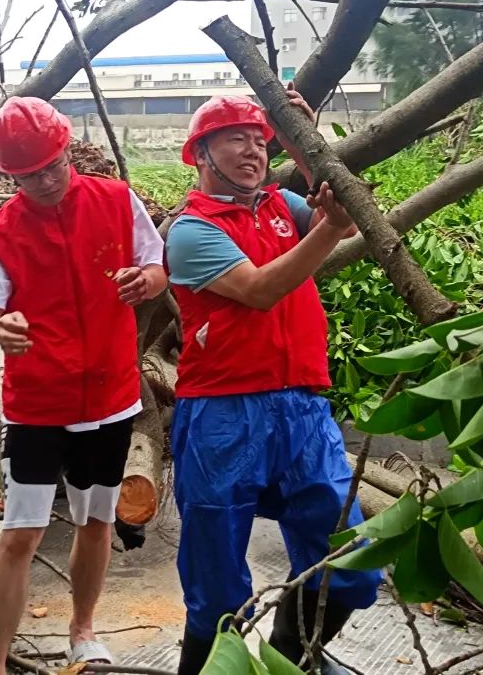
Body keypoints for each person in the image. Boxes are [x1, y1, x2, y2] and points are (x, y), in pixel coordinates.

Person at [164, 95, 381, 675]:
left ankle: (294, 655)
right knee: (216, 582)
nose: (252, 149)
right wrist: (328, 229)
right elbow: (259, 290)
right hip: (222, 416)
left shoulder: (284, 205)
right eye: (235, 138)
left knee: (353, 558)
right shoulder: (189, 231)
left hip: (303, 410)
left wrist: (308, 143)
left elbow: (355, 214)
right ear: (202, 152)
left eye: (260, 139)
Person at [0, 98, 167, 674]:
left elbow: (156, 268)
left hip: (109, 397)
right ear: (10, 175)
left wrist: (144, 281)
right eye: (31, 175)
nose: (48, 181)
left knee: (97, 521)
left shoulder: (115, 200)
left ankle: (83, 632)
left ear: (67, 152)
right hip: (37, 406)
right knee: (19, 534)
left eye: (55, 166)